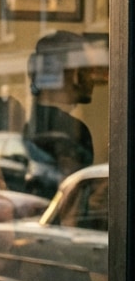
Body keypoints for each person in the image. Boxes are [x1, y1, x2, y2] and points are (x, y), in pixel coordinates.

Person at [23, 31, 105, 178]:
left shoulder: (28, 126)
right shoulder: (73, 132)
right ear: (75, 74)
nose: (94, 79)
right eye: (89, 71)